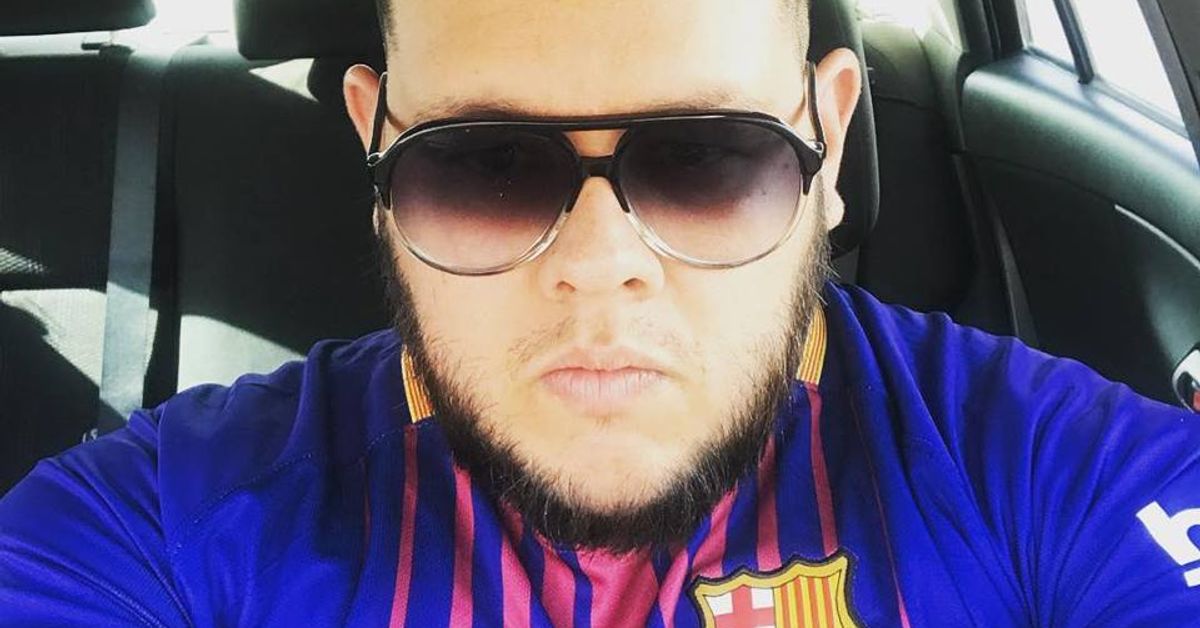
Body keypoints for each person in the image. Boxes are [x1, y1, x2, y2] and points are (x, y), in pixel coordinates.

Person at [2, 0, 1198, 625]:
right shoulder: (157, 530)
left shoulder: (1044, 471)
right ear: (375, 150)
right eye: (485, 165)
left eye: (709, 157)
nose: (599, 264)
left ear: (828, 147)